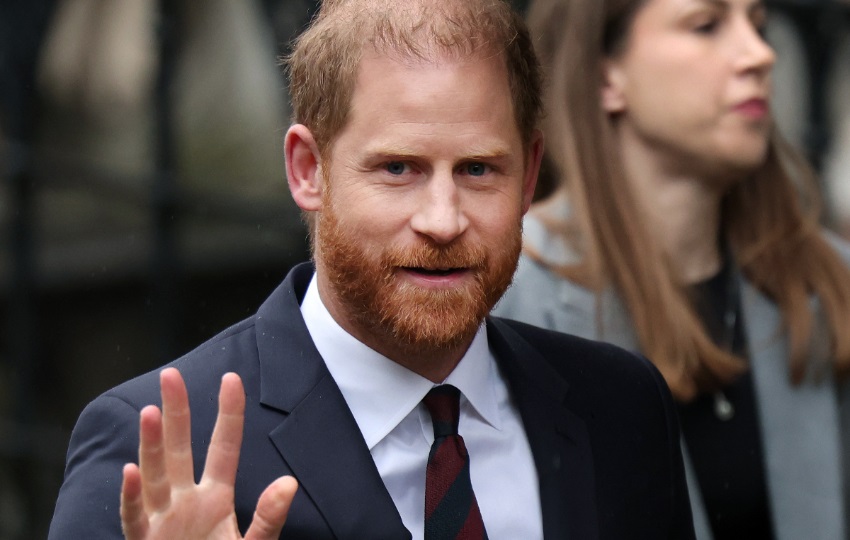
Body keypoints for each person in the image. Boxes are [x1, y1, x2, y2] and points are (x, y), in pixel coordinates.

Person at [48, 0, 696, 538]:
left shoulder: (619, 408)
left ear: (528, 176)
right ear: (308, 170)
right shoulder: (159, 459)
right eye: (398, 169)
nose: (442, 220)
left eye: (477, 170)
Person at [494, 0, 850, 539]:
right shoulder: (509, 293)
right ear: (606, 74)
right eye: (706, 25)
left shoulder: (825, 278)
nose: (760, 54)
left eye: (757, 25)